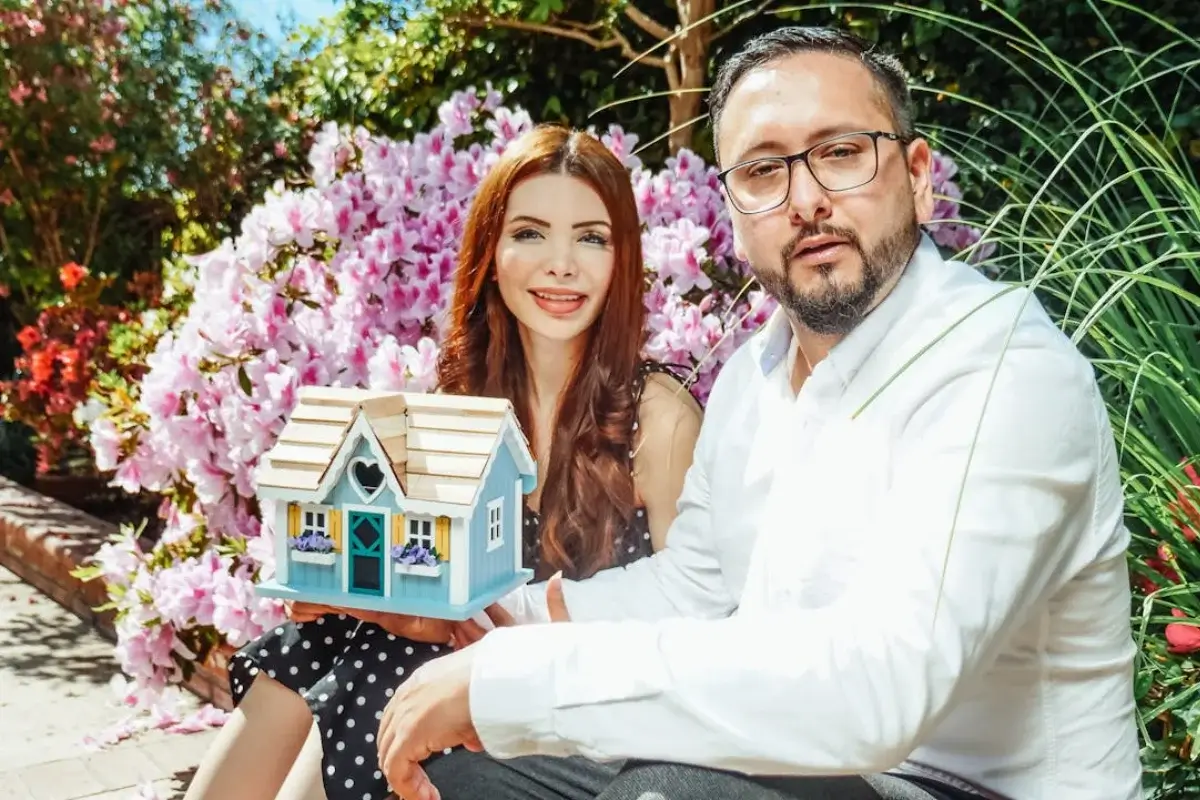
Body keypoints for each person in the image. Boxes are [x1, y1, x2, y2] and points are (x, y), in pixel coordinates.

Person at [371, 26, 1145, 800]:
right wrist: (483, 617)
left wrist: (519, 682)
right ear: (735, 211)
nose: (806, 200)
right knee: (473, 773)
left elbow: (878, 695)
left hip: (966, 787)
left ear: (916, 177)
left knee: (674, 792)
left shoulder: (1001, 369)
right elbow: (694, 591)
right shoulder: (753, 380)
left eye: (842, 152)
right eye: (765, 171)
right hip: (806, 774)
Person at [182, 124, 705, 800]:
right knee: (330, 644)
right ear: (491, 253)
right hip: (444, 671)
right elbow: (418, 578)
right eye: (530, 233)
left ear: (622, 258)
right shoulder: (463, 401)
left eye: (591, 237)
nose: (561, 263)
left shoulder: (657, 418)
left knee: (391, 661)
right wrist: (359, 595)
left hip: (587, 710)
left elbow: (695, 631)